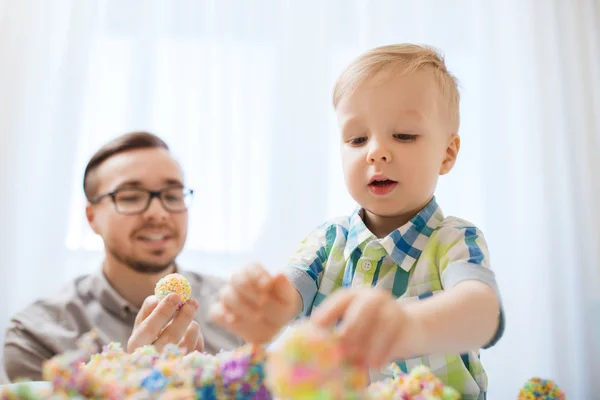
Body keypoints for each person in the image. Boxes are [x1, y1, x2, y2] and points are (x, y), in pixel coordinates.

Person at [210, 44, 505, 399]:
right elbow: (286, 297)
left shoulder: (455, 239)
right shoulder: (327, 240)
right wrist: (262, 308)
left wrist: (408, 325)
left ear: (447, 153)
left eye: (404, 135)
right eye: (357, 138)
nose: (375, 151)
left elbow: (484, 313)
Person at [2, 132, 241, 382]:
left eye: (172, 195)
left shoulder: (235, 310)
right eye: (130, 197)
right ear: (91, 217)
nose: (158, 213)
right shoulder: (35, 337)